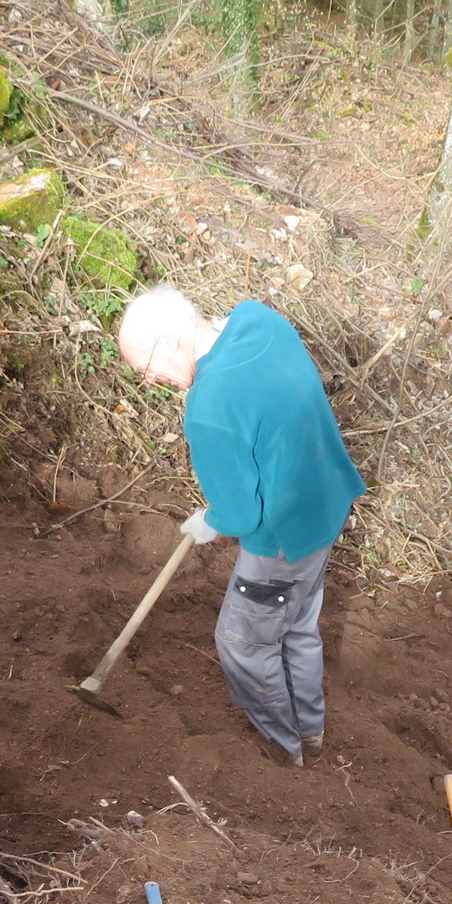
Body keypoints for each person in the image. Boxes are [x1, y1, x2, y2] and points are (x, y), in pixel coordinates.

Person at [116, 285, 367, 766]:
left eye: (144, 367)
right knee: (296, 627)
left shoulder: (209, 407)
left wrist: (210, 520)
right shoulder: (259, 320)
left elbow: (240, 515)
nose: (148, 380)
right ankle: (310, 731)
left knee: (244, 644)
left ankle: (283, 752)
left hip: (283, 537)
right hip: (326, 502)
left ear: (167, 342)